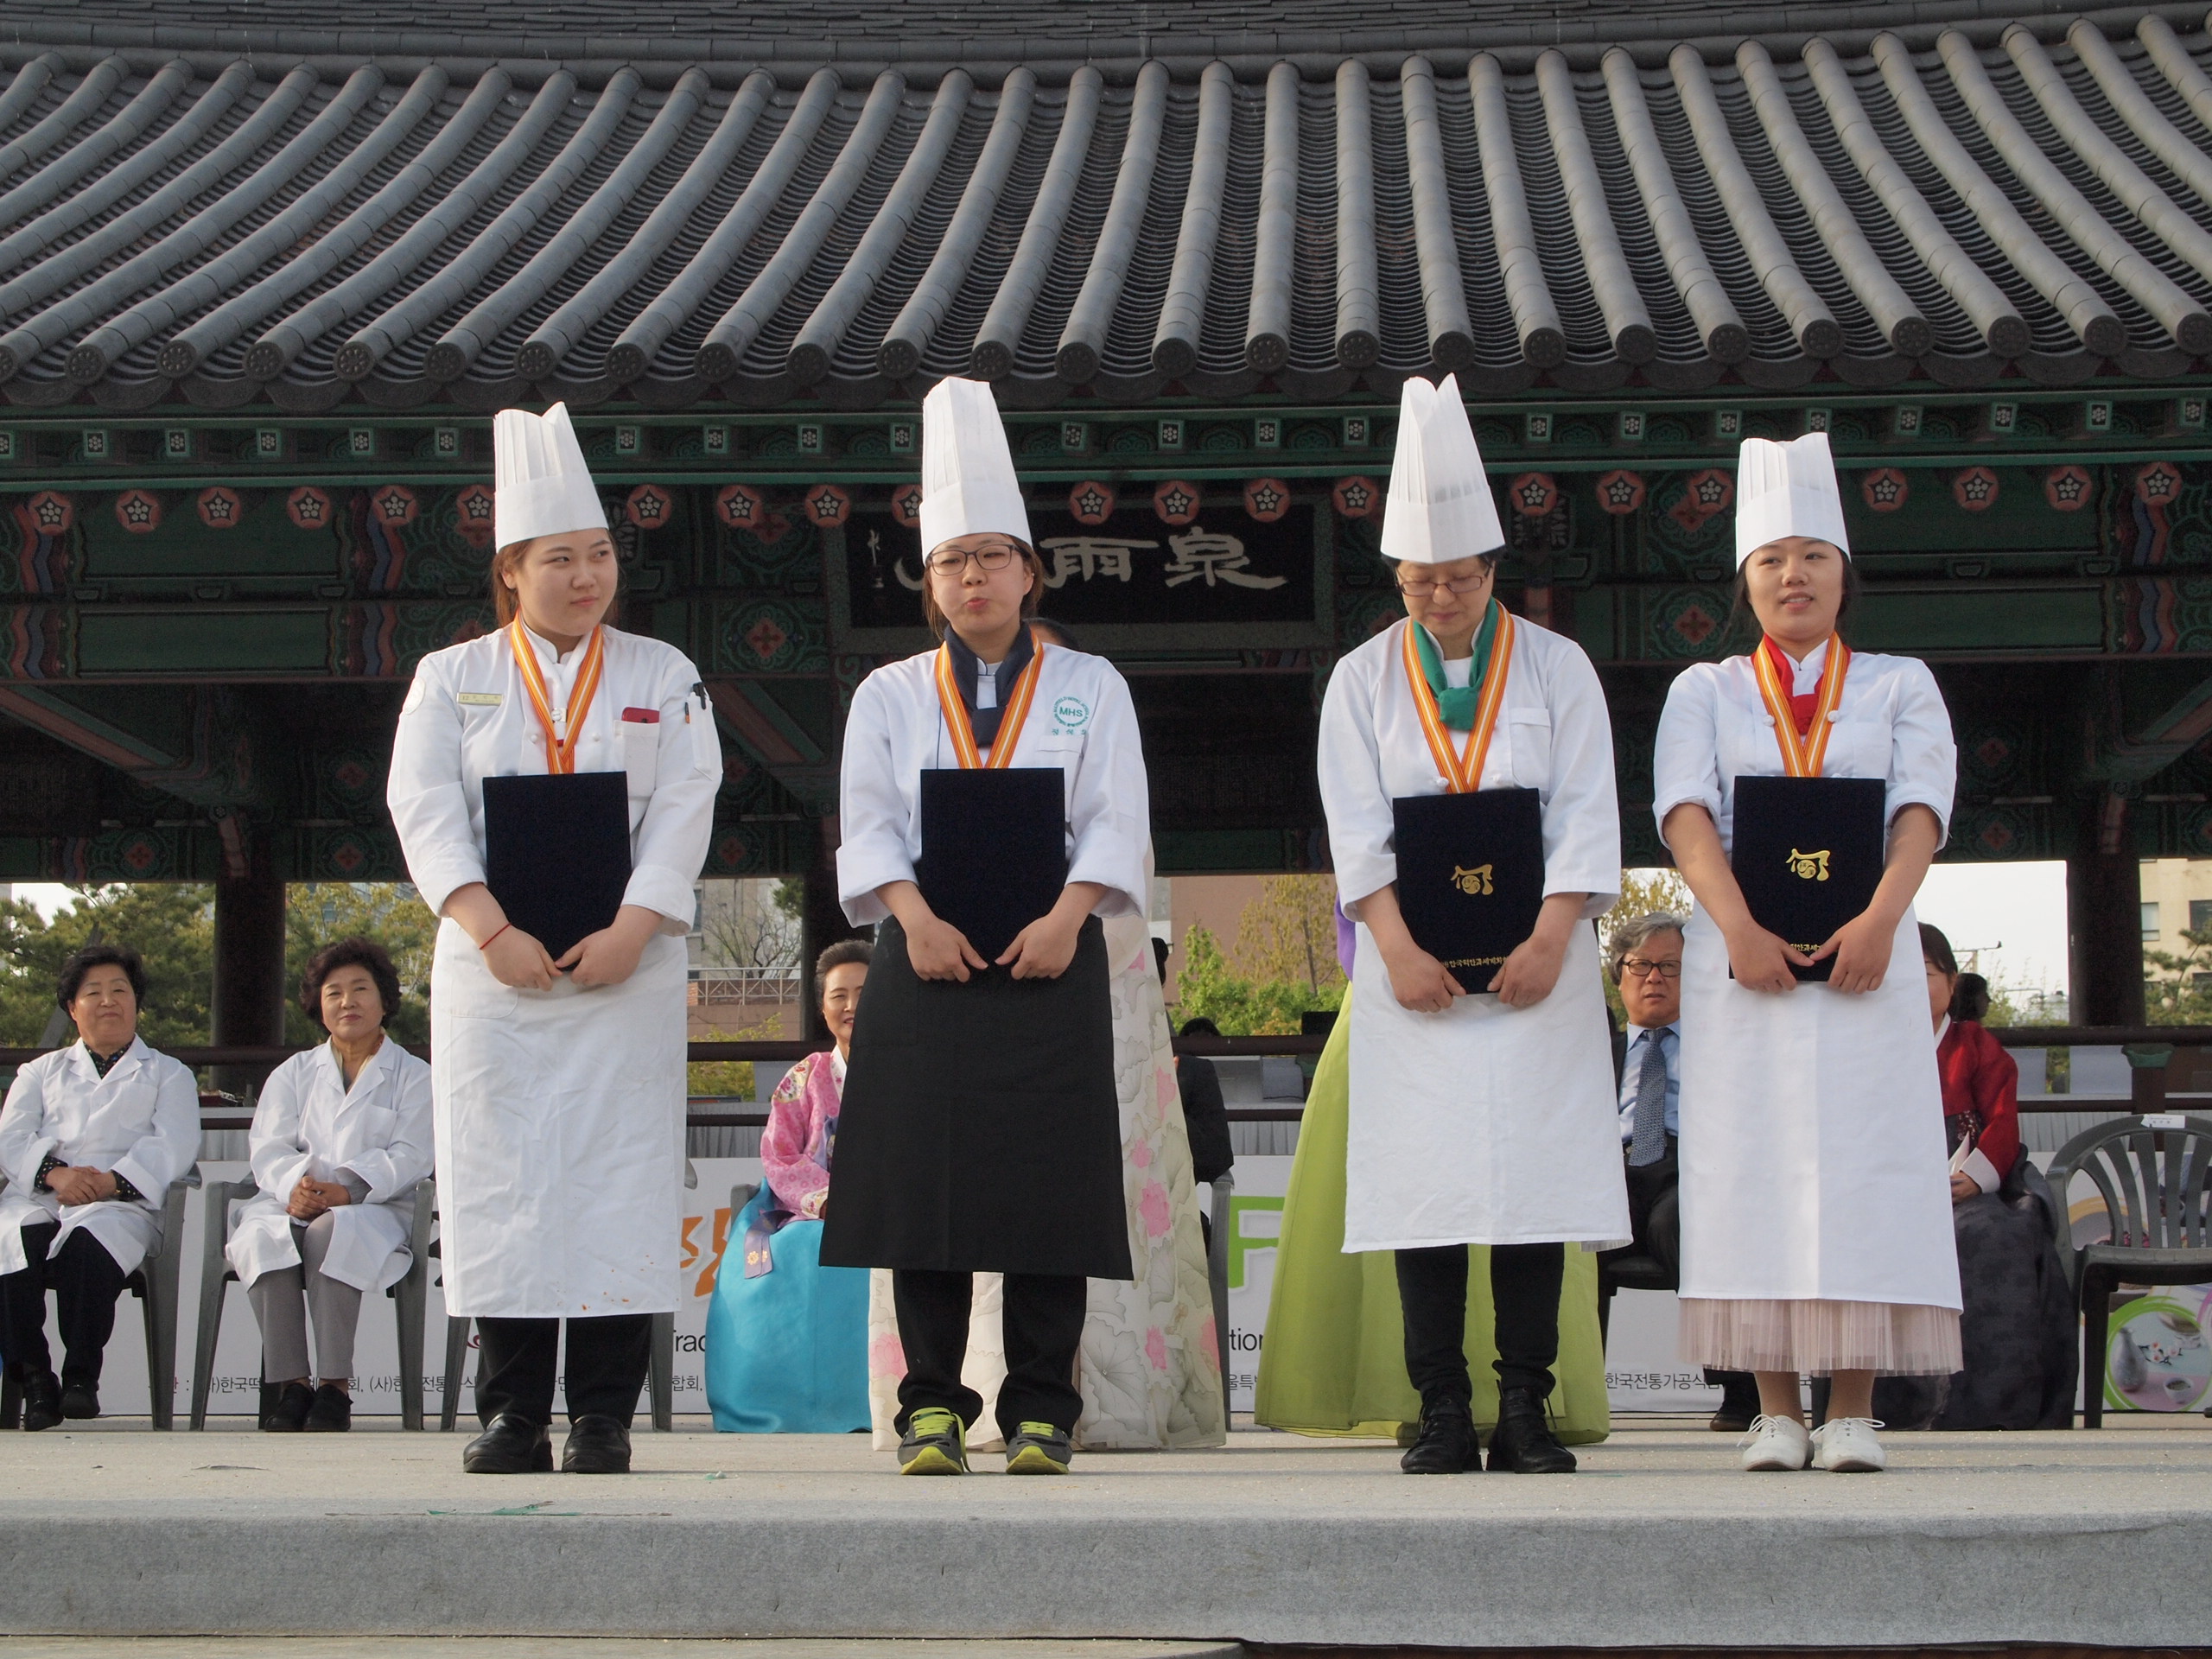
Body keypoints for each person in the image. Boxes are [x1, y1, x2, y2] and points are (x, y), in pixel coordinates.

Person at [822, 374, 1147, 1476]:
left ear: (1029, 571)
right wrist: (909, 920)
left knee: (1047, 1189)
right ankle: (929, 1405)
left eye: (992, 557)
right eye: (952, 561)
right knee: (928, 1188)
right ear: (931, 580)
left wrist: (1068, 919)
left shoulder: (1091, 685)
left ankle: (1044, 1406)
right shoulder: (891, 693)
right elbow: (865, 828)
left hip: (1054, 959)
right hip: (926, 963)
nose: (973, 578)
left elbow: (1115, 820)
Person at [388, 401, 720, 1474]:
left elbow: (687, 799)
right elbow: (424, 807)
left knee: (618, 1182)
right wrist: (487, 929)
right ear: (511, 573)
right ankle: (514, 1410)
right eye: (562, 559)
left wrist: (635, 925)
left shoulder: (661, 671)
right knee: (509, 1179)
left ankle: (605, 1415)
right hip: (498, 974)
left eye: (601, 555)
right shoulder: (451, 676)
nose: (587, 577)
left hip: (625, 966)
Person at [1311, 373, 1630, 1476]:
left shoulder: (1558, 667)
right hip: (1415, 981)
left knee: (1533, 1190)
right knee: (1427, 1191)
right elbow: (1354, 828)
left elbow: (1587, 809)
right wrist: (1392, 947)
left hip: (1540, 970)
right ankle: (1441, 1407)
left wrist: (1552, 937)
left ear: (1492, 571)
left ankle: (1525, 1407)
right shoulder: (1359, 680)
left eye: (1455, 578)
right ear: (1395, 579)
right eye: (1416, 581)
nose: (1436, 597)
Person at [1656, 431, 1961, 1476]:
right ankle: (1774, 1407)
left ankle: (1854, 1408)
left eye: (1813, 557)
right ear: (1746, 581)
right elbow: (1685, 811)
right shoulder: (1704, 689)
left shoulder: (1898, 682)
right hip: (1743, 967)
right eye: (1772, 560)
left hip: (1866, 959)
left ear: (1844, 575)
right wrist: (1736, 927)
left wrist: (1885, 920)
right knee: (1753, 1168)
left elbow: (1920, 809)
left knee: (1863, 1168)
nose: (1794, 576)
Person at [230, 938, 434, 1432]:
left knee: (332, 1233)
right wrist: (294, 1187)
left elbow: (413, 1154)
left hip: (377, 1209)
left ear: (385, 999)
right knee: (262, 1236)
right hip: (293, 1203)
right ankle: (293, 1386)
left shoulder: (415, 1077)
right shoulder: (293, 1073)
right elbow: (269, 1147)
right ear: (318, 1006)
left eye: (360, 989)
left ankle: (334, 1388)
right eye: (334, 993)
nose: (348, 1002)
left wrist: (349, 1189)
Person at [0, 944, 198, 1429]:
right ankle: (35, 1378)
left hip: (121, 1204)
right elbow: (11, 1135)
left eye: (119, 991)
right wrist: (55, 1174)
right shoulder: (39, 1073)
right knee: (12, 1243)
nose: (108, 1001)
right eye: (93, 992)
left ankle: (80, 1378)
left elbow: (174, 1142)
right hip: (42, 1196)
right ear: (72, 1008)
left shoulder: (168, 1074)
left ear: (136, 1002)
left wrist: (110, 1181)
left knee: (88, 1248)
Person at [1887, 925, 2073, 1430]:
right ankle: (1886, 1407)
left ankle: (1993, 1403)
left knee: (1993, 1233)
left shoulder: (1976, 1045)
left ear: (1951, 982)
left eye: (1923, 973)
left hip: (1965, 1181)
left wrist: (1974, 1176)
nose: (1910, 983)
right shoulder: (1867, 1042)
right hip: (1884, 1183)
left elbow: (2003, 1119)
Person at [1599, 911, 1761, 1433]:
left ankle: (1740, 1391)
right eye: (1641, 965)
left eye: (1671, 967)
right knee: (1580, 1229)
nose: (1654, 979)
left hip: (1692, 1167)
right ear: (1618, 974)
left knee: (1686, 1224)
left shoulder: (1723, 1043)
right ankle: (1570, 1395)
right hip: (1610, 1170)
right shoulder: (1592, 1047)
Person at [702, 939, 873, 1433]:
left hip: (888, 1209)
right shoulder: (806, 1076)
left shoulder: (910, 1074)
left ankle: (873, 1405)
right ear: (822, 1008)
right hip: (803, 1210)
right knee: (795, 1249)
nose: (852, 1006)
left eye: (864, 992)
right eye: (839, 995)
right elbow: (780, 1155)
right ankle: (779, 1404)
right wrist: (828, 1199)